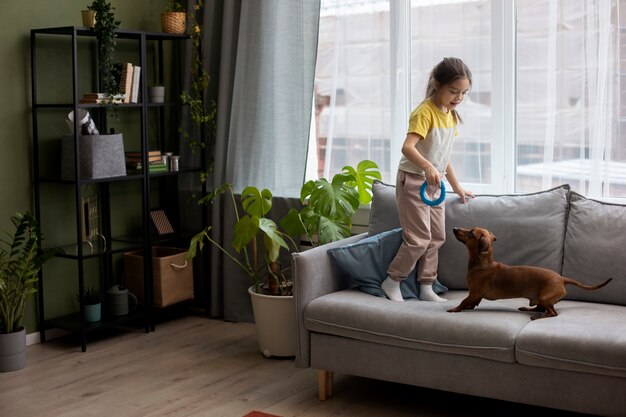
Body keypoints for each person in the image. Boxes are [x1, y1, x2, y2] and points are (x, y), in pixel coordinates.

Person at [381, 57, 475, 302]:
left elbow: (444, 156)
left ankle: (426, 287)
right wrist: (427, 166)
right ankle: (392, 281)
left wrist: (457, 187)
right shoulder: (425, 112)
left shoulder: (450, 115)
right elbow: (408, 147)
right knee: (419, 239)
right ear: (437, 84)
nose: (458, 98)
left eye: (464, 93)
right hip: (413, 181)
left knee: (436, 238)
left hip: (435, 184)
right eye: (453, 91)